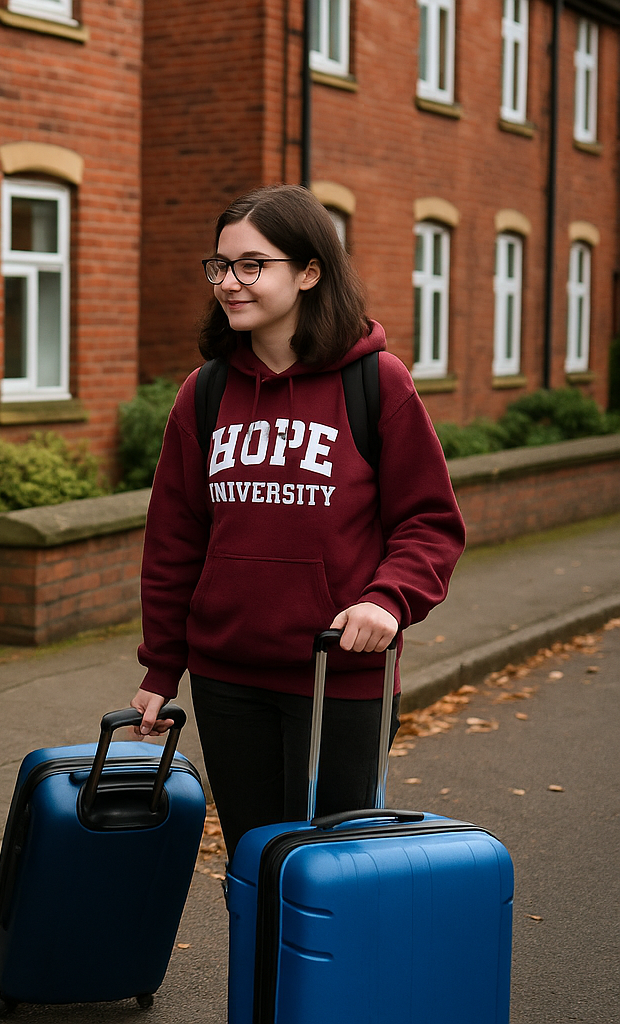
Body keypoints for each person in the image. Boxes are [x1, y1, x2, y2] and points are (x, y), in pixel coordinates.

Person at [130, 184, 465, 858]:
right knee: (253, 863)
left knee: (333, 875)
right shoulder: (206, 392)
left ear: (310, 271)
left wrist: (387, 599)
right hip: (227, 680)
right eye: (220, 266)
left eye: (252, 264)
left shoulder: (376, 384)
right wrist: (161, 670)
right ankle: (259, 970)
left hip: (338, 679)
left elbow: (430, 523)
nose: (229, 282)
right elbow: (174, 544)